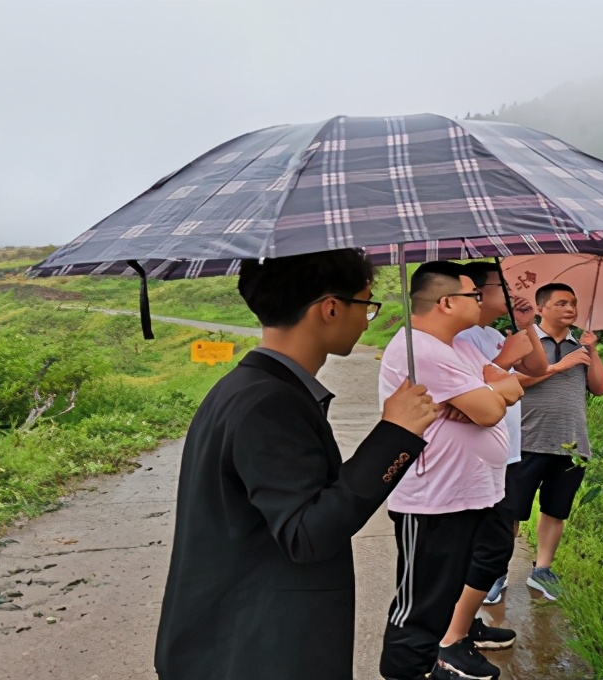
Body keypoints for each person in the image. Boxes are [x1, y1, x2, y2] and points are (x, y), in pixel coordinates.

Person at [154, 248, 439, 680]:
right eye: (366, 304)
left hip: (240, 634)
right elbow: (307, 534)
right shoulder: (269, 402)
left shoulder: (247, 386)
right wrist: (394, 435)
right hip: (259, 649)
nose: (367, 320)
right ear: (329, 308)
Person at [378, 261, 524, 680]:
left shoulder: (457, 344)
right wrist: (484, 399)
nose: (480, 299)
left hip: (468, 492)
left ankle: (434, 664)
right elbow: (491, 409)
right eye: (472, 295)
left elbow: (507, 385)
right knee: (419, 608)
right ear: (446, 302)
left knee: (445, 597)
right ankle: (407, 672)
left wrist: (483, 396)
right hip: (432, 500)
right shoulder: (418, 347)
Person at [431, 261, 549, 666]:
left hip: (507, 454)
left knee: (492, 546)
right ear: (476, 292)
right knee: (486, 549)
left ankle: (463, 624)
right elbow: (482, 398)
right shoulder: (461, 337)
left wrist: (526, 325)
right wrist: (502, 368)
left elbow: (535, 370)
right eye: (503, 284)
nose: (513, 289)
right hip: (477, 458)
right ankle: (453, 635)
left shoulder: (491, 334)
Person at [512, 283, 603, 600]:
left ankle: (542, 570)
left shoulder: (580, 347)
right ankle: (495, 571)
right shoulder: (524, 342)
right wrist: (557, 367)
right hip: (526, 440)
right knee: (510, 512)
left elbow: (599, 388)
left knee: (556, 510)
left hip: (571, 444)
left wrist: (591, 351)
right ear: (541, 308)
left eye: (574, 303)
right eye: (562, 303)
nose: (571, 309)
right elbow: (510, 381)